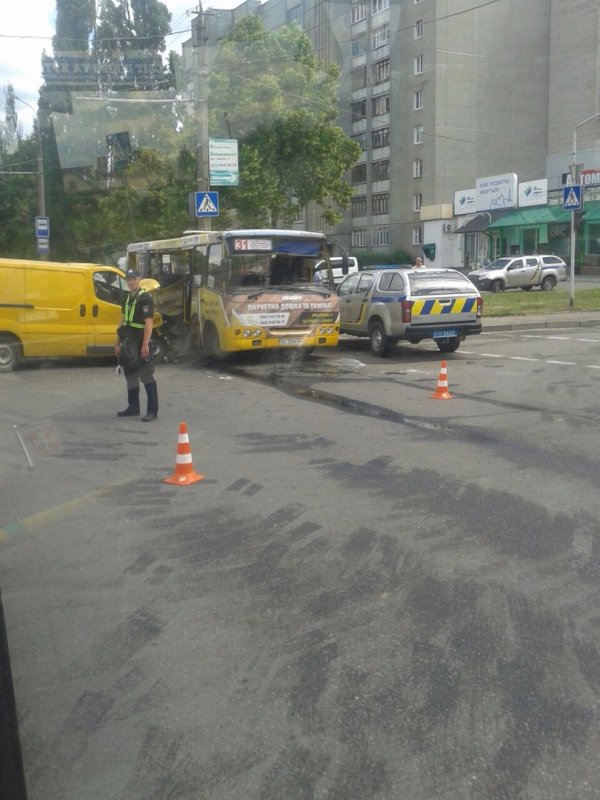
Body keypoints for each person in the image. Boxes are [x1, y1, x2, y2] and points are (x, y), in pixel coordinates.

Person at [115, 268, 159, 422]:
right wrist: (117, 343)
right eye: (129, 279)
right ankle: (133, 407)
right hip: (128, 343)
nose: (131, 281)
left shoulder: (145, 298)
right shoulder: (126, 298)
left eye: (134, 279)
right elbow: (122, 322)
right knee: (131, 375)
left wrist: (145, 345)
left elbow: (149, 323)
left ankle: (152, 411)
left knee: (146, 376)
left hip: (140, 342)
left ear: (139, 279)